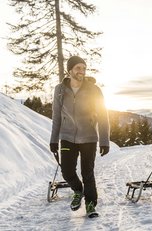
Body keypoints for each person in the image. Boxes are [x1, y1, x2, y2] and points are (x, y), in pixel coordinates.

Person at [49, 55, 110, 218]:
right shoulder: (60, 90)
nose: (81, 71)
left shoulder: (94, 90)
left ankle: (91, 204)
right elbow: (56, 116)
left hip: (89, 137)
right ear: (70, 71)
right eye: (78, 68)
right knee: (67, 171)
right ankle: (78, 190)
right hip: (67, 136)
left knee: (87, 173)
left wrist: (104, 140)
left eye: (83, 68)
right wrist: (54, 140)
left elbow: (103, 115)